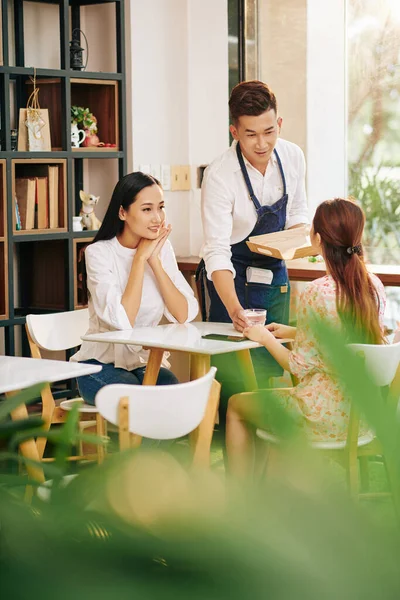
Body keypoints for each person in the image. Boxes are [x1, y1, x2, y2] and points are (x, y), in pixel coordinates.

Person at [226, 198, 386, 478]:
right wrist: (295, 332)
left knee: (237, 405)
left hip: (320, 416)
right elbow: (349, 337)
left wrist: (265, 338)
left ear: (318, 239)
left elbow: (297, 366)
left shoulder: (317, 292)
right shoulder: (373, 285)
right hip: (363, 416)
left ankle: (238, 500)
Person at [199, 80, 309, 430]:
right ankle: (234, 468)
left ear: (279, 124)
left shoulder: (292, 156)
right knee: (234, 376)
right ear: (234, 130)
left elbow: (298, 217)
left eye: (268, 131)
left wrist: (290, 245)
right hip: (231, 278)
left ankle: (275, 460)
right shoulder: (219, 176)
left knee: (275, 366)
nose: (261, 144)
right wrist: (234, 308)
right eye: (250, 135)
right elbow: (216, 251)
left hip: (274, 272)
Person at [71, 172, 199, 404]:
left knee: (174, 394)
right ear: (122, 212)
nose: (158, 218)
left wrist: (155, 262)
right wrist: (139, 259)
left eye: (161, 207)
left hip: (142, 363)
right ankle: (127, 441)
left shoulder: (162, 249)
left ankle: (139, 442)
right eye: (147, 209)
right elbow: (122, 321)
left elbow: (184, 313)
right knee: (136, 398)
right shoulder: (99, 253)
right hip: (98, 365)